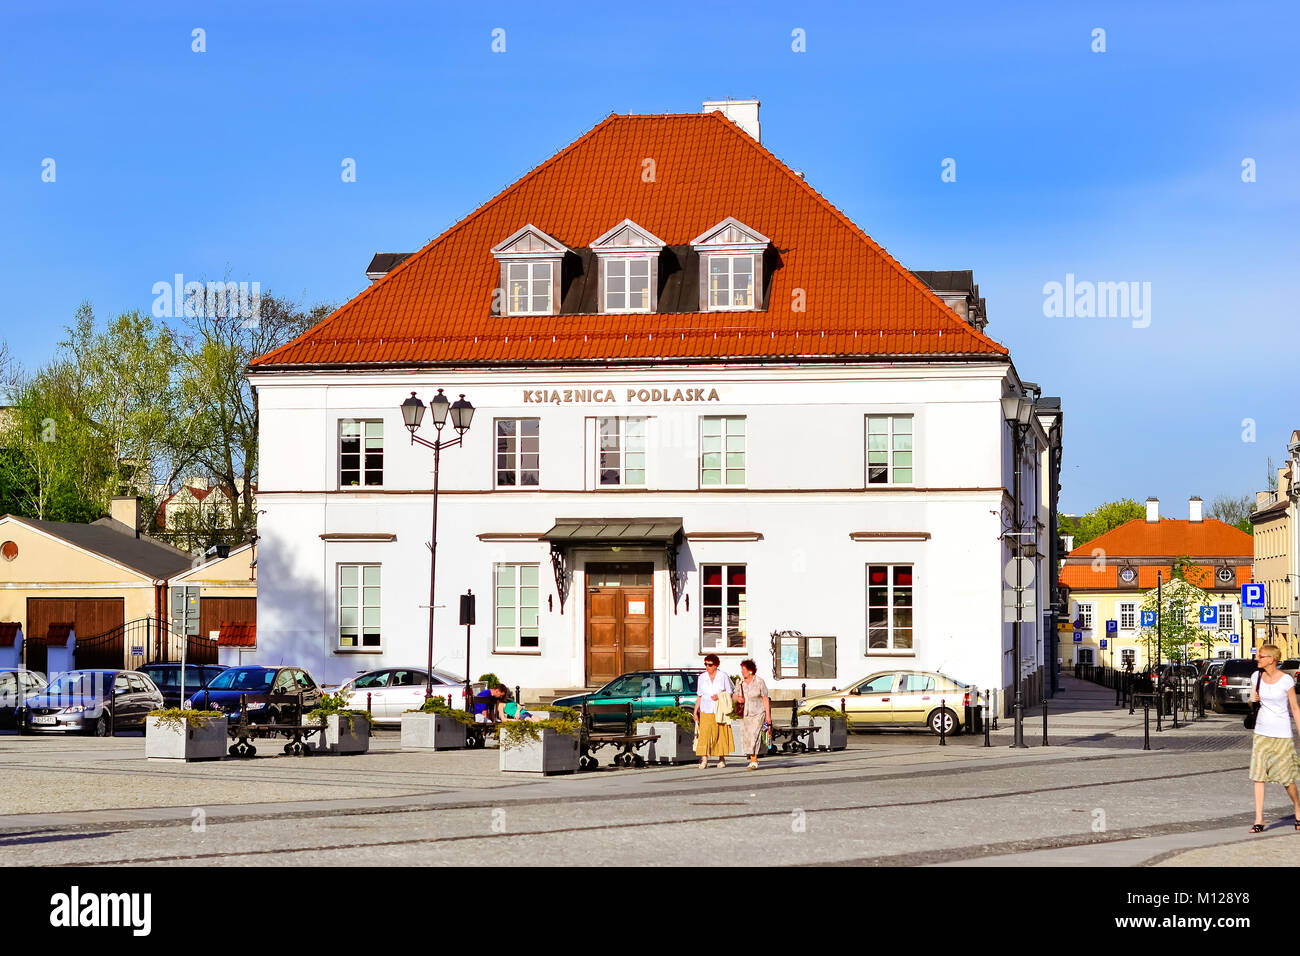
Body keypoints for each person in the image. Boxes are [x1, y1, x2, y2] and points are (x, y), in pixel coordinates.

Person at [1248, 644, 1300, 833]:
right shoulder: (1257, 677)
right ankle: (1259, 819)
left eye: (1261, 657)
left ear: (1272, 659)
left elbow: (1295, 708)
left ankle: (1298, 809)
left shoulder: (1286, 681)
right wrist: (1251, 699)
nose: (1258, 659)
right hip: (1261, 733)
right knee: (1258, 776)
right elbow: (1252, 701)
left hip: (1282, 734)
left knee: (1287, 779)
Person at [693, 654, 734, 768]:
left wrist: (720, 696)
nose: (707, 667)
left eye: (710, 664)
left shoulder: (723, 676)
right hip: (706, 709)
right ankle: (704, 760)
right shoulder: (702, 677)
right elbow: (699, 696)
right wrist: (695, 712)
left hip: (719, 710)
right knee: (704, 734)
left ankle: (721, 758)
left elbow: (730, 692)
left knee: (720, 733)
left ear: (716, 665)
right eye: (705, 664)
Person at [733, 658, 772, 770]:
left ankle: (754, 760)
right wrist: (738, 699)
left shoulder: (759, 681)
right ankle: (752, 758)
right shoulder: (740, 682)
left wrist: (768, 715)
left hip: (758, 712)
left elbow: (765, 699)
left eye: (743, 669)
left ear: (750, 670)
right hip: (746, 713)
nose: (742, 672)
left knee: (754, 735)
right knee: (747, 736)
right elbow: (734, 695)